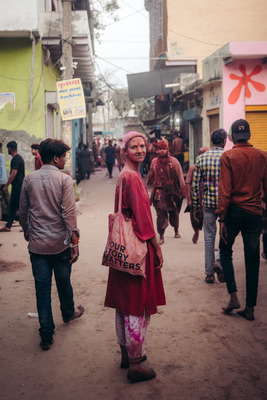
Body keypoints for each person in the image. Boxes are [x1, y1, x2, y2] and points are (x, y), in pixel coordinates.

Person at [104, 131, 166, 382]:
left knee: (124, 303)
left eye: (142, 145)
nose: (140, 150)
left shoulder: (125, 175)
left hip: (123, 252)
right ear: (125, 151)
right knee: (136, 305)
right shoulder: (132, 178)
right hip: (137, 251)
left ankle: (125, 353)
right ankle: (135, 363)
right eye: (134, 147)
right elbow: (143, 220)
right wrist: (156, 246)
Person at [19, 139, 84, 350]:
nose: (65, 159)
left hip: (37, 247)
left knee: (42, 290)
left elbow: (23, 212)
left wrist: (29, 233)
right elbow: (69, 214)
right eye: (64, 156)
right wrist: (74, 243)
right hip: (60, 245)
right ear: (55, 158)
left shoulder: (29, 179)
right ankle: (68, 313)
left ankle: (46, 335)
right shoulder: (64, 180)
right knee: (64, 282)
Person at [216, 119, 267, 321]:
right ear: (249, 135)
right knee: (252, 260)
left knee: (225, 253)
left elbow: (225, 190)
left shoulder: (228, 156)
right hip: (255, 213)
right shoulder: (262, 156)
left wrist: (221, 218)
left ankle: (233, 297)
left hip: (233, 213)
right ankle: (250, 308)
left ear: (231, 137)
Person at [191, 129, 227, 284]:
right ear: (224, 140)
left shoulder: (201, 159)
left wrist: (195, 207)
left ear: (212, 141)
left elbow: (195, 185)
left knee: (209, 238)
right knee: (225, 236)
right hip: (226, 204)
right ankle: (219, 261)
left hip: (208, 204)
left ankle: (209, 274)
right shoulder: (227, 157)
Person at [147, 139, 186, 245]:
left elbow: (180, 176)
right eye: (160, 149)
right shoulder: (154, 161)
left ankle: (176, 230)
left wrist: (183, 191)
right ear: (157, 150)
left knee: (174, 212)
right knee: (161, 213)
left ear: (168, 149)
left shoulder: (174, 161)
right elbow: (150, 174)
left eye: (164, 149)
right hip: (159, 192)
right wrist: (147, 183)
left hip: (172, 192)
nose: (162, 151)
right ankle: (161, 235)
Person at [186, 147, 209, 244]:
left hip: (207, 196)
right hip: (195, 195)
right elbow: (188, 183)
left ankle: (209, 241)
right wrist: (189, 199)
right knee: (195, 217)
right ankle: (196, 232)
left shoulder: (210, 166)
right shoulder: (193, 167)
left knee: (208, 219)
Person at [0, 141, 25, 232]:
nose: (7, 151)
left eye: (8, 149)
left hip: (18, 186)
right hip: (17, 186)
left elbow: (13, 174)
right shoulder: (17, 158)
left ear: (10, 148)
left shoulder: (16, 159)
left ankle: (28, 225)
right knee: (13, 206)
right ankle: (8, 225)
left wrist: (6, 186)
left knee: (21, 207)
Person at [0, 142, 9, 220]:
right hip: (4, 179)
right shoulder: (2, 156)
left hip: (0, 180)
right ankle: (11, 217)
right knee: (7, 199)